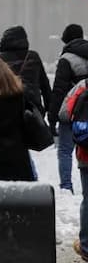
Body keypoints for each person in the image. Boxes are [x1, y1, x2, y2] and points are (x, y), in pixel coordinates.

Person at [50, 24, 88, 195]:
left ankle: (66, 186)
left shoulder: (67, 59)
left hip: (72, 111)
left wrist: (52, 116)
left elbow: (59, 90)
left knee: (65, 150)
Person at [0, 25, 52, 115]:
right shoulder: (33, 57)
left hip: (5, 110)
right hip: (32, 108)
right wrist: (49, 109)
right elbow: (44, 85)